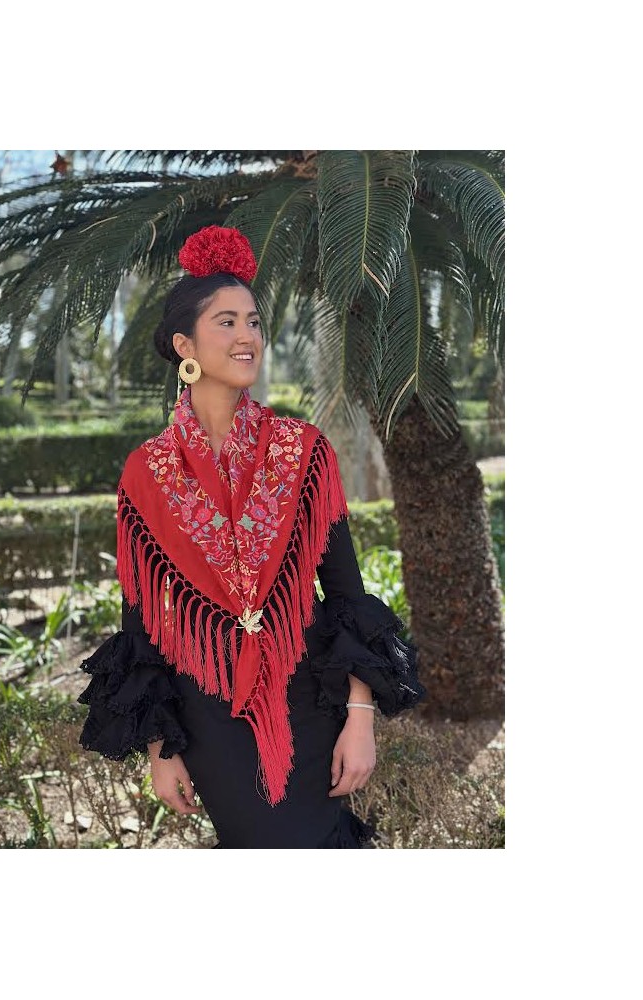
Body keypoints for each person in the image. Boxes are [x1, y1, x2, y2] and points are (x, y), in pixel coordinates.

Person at [77, 225, 426, 849]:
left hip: (310, 703)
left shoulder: (303, 452)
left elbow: (347, 594)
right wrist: (161, 749)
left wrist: (361, 719)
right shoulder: (145, 472)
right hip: (207, 718)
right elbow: (142, 624)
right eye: (227, 322)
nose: (248, 337)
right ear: (185, 344)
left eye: (255, 322)